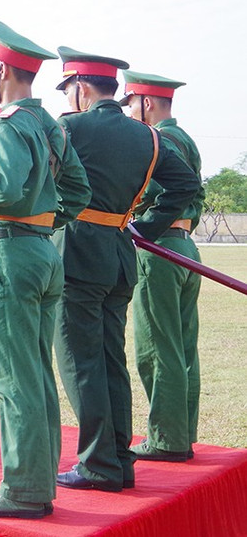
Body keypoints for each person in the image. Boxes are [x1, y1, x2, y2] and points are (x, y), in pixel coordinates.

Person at [0, 21, 91, 519]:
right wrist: (47, 218)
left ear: (2, 68)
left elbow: (1, 190)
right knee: (36, 372)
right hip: (44, 253)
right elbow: (79, 191)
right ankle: (39, 479)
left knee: (13, 377)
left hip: (10, 254)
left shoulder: (8, 124)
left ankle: (24, 490)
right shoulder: (50, 125)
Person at [51, 48, 201, 493]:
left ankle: (99, 464)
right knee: (111, 362)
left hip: (76, 253)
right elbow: (187, 185)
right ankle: (118, 459)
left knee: (80, 363)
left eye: (68, 88)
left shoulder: (69, 128)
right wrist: (149, 227)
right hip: (119, 255)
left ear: (79, 87)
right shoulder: (147, 136)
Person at [121, 71, 205, 462]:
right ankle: (181, 434)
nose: (130, 114)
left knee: (157, 347)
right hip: (186, 246)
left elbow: (150, 193)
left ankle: (166, 440)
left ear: (147, 103)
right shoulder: (185, 138)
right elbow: (197, 193)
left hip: (159, 250)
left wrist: (141, 227)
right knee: (184, 347)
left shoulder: (157, 139)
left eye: (131, 104)